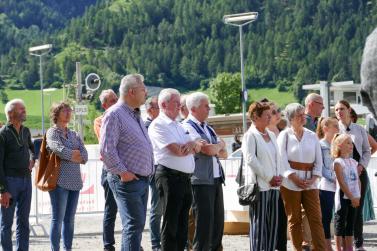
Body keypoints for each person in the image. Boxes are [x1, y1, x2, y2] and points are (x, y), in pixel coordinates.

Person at [100, 74, 154, 251]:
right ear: (131, 92)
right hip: (127, 179)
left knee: (135, 226)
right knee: (133, 225)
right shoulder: (115, 114)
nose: (146, 91)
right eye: (142, 88)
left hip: (140, 179)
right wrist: (123, 173)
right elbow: (107, 149)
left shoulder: (134, 114)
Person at [148, 88, 201, 251]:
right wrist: (190, 145)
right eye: (176, 103)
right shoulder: (158, 124)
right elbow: (177, 150)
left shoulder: (178, 125)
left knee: (182, 223)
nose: (180, 106)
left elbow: (197, 146)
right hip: (169, 177)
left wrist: (192, 144)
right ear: (164, 104)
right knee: (171, 223)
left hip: (184, 178)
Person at [277, 103, 326, 251]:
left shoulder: (312, 136)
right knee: (294, 219)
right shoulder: (284, 135)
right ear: (291, 118)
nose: (303, 117)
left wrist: (314, 178)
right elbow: (281, 159)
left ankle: (320, 248)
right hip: (290, 184)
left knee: (316, 218)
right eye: (299, 115)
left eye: (303, 114)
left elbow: (319, 160)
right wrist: (293, 177)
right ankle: (298, 248)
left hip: (310, 183)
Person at [183, 92, 227, 251]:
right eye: (205, 106)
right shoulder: (187, 125)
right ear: (193, 108)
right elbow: (208, 150)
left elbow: (224, 152)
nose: (209, 108)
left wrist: (217, 147)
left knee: (217, 224)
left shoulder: (207, 127)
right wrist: (217, 147)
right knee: (203, 226)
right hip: (201, 181)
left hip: (215, 179)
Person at [46, 101, 88, 251]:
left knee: (69, 220)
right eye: (65, 111)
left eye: (70, 111)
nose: (69, 113)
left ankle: (67, 248)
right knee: (57, 219)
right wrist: (74, 154)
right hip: (59, 182)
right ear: (56, 114)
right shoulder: (52, 132)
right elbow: (58, 149)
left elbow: (85, 155)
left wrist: (74, 155)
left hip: (75, 182)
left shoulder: (73, 134)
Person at [242, 101, 283, 251]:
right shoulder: (250, 135)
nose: (269, 117)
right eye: (266, 115)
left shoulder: (271, 135)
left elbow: (278, 158)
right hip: (260, 187)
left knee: (272, 226)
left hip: (274, 187)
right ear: (255, 117)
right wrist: (269, 177)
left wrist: (279, 176)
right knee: (259, 226)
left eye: (270, 114)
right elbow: (251, 159)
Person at [335, 100, 371, 250]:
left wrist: (361, 166)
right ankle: (342, 244)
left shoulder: (359, 129)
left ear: (349, 110)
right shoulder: (335, 129)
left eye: (342, 109)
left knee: (357, 207)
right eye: (336, 110)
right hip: (341, 173)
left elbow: (367, 150)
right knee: (341, 209)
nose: (339, 112)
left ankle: (358, 243)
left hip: (359, 172)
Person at [0, 99, 35, 251]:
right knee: (6, 224)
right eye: (21, 109)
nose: (24, 111)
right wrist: (2, 190)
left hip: (26, 181)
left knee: (24, 222)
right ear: (10, 113)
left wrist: (33, 159)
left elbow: (34, 148)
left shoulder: (26, 131)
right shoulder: (2, 134)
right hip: (9, 182)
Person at [93, 89, 118, 251]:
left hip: (124, 167)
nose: (116, 103)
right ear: (104, 105)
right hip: (110, 169)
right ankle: (108, 244)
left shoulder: (125, 117)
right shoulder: (100, 120)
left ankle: (131, 242)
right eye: (111, 101)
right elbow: (107, 141)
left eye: (116, 99)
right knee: (111, 208)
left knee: (129, 209)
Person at [332, 133, 361, 251]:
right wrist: (351, 196)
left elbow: (358, 180)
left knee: (351, 222)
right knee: (340, 222)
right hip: (343, 196)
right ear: (339, 145)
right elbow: (342, 182)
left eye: (351, 143)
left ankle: (349, 248)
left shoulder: (354, 162)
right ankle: (339, 248)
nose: (351, 145)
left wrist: (357, 196)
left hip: (354, 197)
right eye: (348, 143)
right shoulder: (338, 162)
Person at [316, 117, 339, 251]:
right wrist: (334, 178)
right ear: (325, 128)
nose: (337, 128)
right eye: (334, 126)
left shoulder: (338, 143)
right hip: (325, 187)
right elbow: (320, 167)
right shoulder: (320, 145)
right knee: (326, 217)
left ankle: (338, 245)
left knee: (339, 217)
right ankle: (327, 246)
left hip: (340, 186)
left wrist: (342, 179)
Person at [144, 96, 162, 251]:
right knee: (156, 208)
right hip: (154, 170)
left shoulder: (160, 124)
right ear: (150, 109)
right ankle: (156, 243)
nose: (160, 110)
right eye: (158, 107)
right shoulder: (146, 126)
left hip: (163, 169)